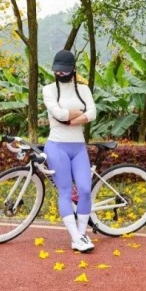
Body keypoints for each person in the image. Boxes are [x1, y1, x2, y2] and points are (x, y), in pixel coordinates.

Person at [42, 49, 97, 253]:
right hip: (56, 146)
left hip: (78, 147)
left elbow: (92, 113)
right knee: (65, 191)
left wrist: (71, 119)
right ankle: (75, 237)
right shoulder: (48, 89)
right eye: (58, 71)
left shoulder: (84, 90)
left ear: (73, 69)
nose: (61, 74)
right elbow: (57, 113)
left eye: (65, 71)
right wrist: (74, 115)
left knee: (84, 190)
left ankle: (81, 235)